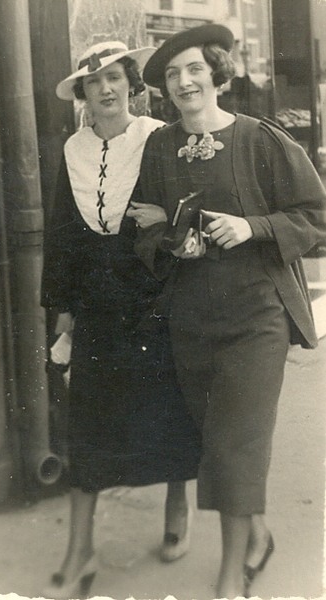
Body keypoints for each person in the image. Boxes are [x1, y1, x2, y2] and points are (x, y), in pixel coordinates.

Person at [130, 23, 326, 599]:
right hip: (190, 318)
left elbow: (316, 216)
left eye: (194, 68)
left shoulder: (260, 139)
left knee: (237, 445)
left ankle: (230, 579)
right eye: (173, 74)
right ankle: (257, 535)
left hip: (256, 316)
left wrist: (252, 227)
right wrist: (171, 241)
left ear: (218, 74)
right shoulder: (160, 147)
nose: (184, 81)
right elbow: (144, 228)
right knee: (217, 443)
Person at [40, 40, 201, 599]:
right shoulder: (73, 149)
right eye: (93, 82)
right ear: (83, 94)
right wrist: (62, 313)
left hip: (155, 298)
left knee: (170, 408)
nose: (105, 89)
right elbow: (63, 234)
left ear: (132, 84)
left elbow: (190, 210)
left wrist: (165, 219)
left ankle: (178, 504)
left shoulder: (158, 137)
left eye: (114, 78)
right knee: (87, 424)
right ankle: (79, 550)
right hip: (97, 304)